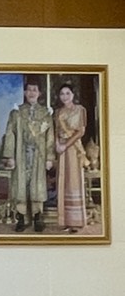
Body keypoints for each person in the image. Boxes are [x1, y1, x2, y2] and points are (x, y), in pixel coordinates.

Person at [0, 78, 53, 232]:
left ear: (39, 93)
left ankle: (37, 217)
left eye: (35, 90)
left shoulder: (45, 114)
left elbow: (50, 137)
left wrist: (49, 157)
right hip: (21, 154)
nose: (31, 93)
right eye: (29, 90)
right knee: (20, 185)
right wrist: (10, 156)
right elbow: (10, 134)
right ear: (24, 92)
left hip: (38, 155)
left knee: (37, 185)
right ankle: (21, 218)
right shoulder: (16, 113)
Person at [53, 82, 90, 232]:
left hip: (74, 149)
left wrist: (65, 145)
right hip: (61, 150)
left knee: (74, 181)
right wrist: (57, 144)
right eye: (62, 94)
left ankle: (76, 222)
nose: (65, 96)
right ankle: (65, 221)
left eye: (68, 93)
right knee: (63, 181)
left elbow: (81, 132)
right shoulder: (58, 112)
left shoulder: (80, 110)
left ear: (73, 95)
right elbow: (56, 131)